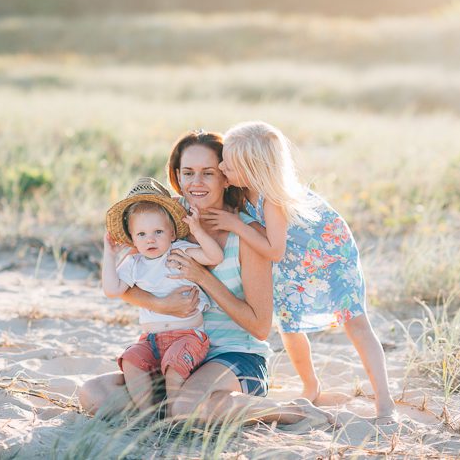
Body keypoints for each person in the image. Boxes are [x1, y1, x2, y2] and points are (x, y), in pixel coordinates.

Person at [79, 131, 335, 428]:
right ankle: (177, 407)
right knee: (93, 394)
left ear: (225, 177)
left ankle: (292, 411)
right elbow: (126, 285)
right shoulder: (165, 223)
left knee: (189, 408)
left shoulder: (245, 233)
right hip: (172, 350)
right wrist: (162, 304)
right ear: (176, 175)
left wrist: (202, 276)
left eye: (208, 173)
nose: (196, 183)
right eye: (188, 173)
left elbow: (260, 327)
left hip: (233, 355)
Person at [206, 121, 396, 423]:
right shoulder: (244, 192)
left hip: (330, 256)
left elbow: (274, 250)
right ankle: (311, 386)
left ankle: (385, 403)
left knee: (356, 324)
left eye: (228, 162)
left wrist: (236, 226)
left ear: (252, 168)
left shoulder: (273, 199)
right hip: (294, 265)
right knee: (290, 327)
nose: (220, 165)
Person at [101, 176, 224, 412]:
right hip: (152, 341)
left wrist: (197, 230)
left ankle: (174, 414)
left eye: (158, 231)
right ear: (132, 238)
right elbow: (112, 290)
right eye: (142, 234)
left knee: (174, 364)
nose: (151, 239)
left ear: (172, 233)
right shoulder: (134, 263)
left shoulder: (179, 251)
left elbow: (214, 257)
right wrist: (110, 253)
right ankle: (146, 415)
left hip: (188, 337)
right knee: (130, 360)